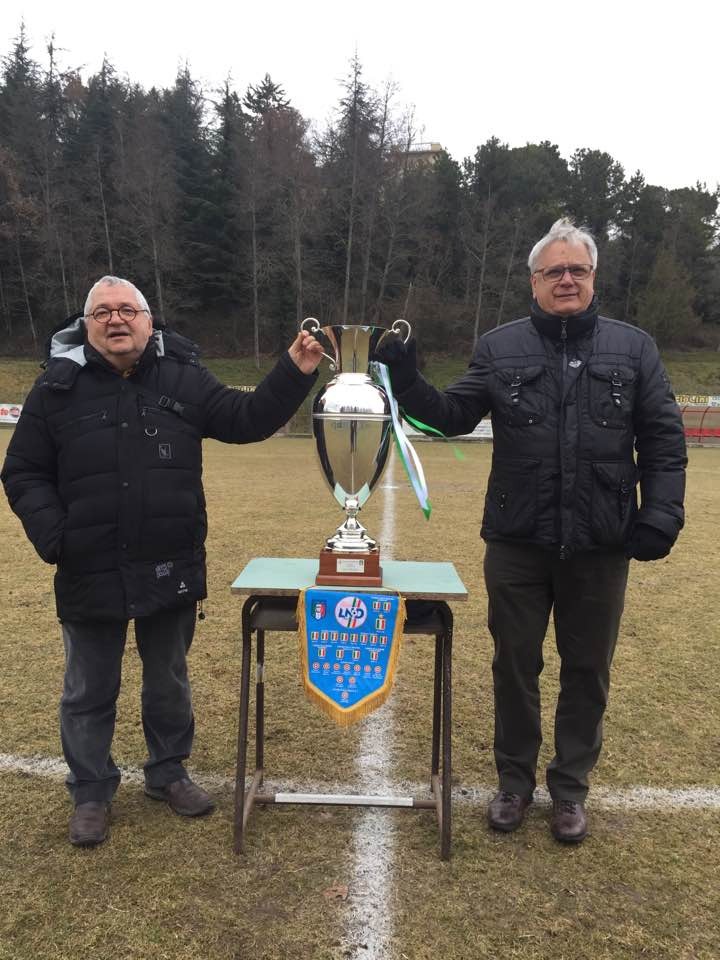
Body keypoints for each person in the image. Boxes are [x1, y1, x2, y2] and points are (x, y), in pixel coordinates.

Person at [375, 219, 686, 843]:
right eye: (554, 272)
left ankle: (569, 790)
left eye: (577, 270)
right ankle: (514, 784)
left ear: (593, 277)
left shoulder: (635, 348)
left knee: (588, 669)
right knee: (514, 665)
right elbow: (454, 416)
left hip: (601, 543)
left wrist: (662, 511)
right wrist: (406, 381)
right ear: (534, 282)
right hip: (517, 542)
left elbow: (663, 439)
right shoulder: (499, 347)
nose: (566, 280)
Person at [1, 275, 323, 848]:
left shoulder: (183, 376)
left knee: (168, 681)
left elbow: (244, 421)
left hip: (168, 563)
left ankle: (168, 772)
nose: (116, 320)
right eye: (103, 312)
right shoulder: (56, 388)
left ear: (149, 321)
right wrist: (57, 536)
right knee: (88, 689)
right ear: (86, 324)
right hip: (88, 566)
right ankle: (91, 791)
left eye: (128, 310)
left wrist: (294, 371)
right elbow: (22, 471)